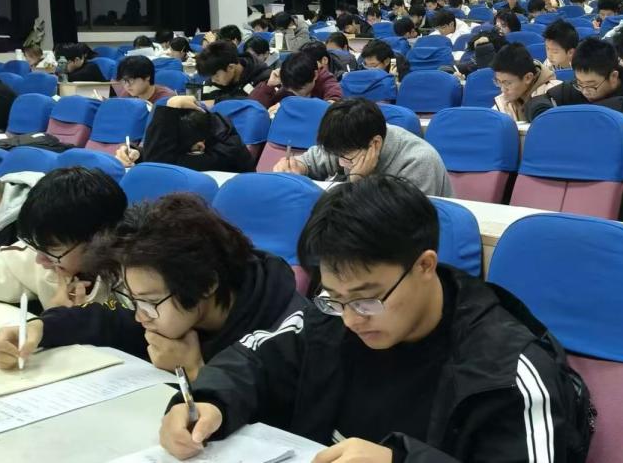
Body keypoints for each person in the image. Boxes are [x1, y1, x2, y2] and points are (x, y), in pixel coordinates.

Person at [158, 175, 590, 461]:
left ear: (424, 266)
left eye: (366, 300)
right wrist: (207, 401)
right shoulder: (331, 317)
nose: (350, 319)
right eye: (335, 297)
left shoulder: (507, 372)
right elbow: (254, 358)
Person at [0, 194, 304, 379]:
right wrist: (40, 328)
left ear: (206, 284)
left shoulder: (287, 337)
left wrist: (196, 373)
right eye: (134, 300)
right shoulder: (178, 309)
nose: (139, 315)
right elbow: (111, 321)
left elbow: (289, 432)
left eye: (148, 302)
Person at [0, 167, 126, 309]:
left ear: (100, 240)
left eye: (51, 249)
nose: (40, 260)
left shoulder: (135, 285)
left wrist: (61, 318)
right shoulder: (47, 252)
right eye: (36, 246)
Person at [274, 98, 454, 196]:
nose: (341, 163)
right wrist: (299, 166)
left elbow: (398, 224)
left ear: (375, 144)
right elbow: (312, 160)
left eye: (346, 158)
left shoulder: (419, 162)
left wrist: (357, 181)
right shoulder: (347, 141)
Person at [526, 37, 623, 128]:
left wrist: (580, 114)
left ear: (613, 76)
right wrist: (547, 116)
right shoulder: (581, 86)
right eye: (580, 83)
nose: (585, 91)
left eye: (592, 85)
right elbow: (537, 102)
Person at [115, 95, 255, 173]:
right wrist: (138, 154)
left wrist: (171, 105)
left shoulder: (227, 152)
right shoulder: (202, 129)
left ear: (200, 146)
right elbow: (166, 154)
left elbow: (159, 164)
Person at [249, 51, 343, 110]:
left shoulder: (325, 79)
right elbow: (253, 108)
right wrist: (269, 86)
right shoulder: (288, 79)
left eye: (301, 89)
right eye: (293, 91)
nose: (297, 94)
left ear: (315, 75)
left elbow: (333, 103)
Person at [490, 43, 559, 122]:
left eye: (507, 83)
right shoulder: (503, 102)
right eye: (498, 82)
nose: (502, 89)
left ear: (528, 78)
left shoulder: (556, 95)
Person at [195, 41, 273, 105]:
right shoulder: (216, 72)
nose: (213, 80)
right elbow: (205, 103)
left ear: (231, 68)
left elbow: (251, 106)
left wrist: (216, 102)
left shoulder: (264, 77)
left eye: (216, 76)